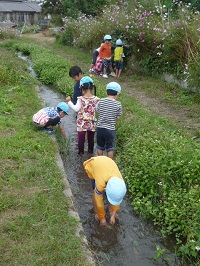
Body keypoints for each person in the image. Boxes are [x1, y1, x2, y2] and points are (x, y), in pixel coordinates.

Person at [83, 156, 127, 225]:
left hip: (107, 166)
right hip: (94, 166)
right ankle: (95, 212)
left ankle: (110, 210)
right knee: (96, 191)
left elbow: (117, 197)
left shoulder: (120, 183)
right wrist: (102, 217)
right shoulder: (100, 183)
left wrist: (113, 214)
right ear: (106, 189)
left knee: (113, 195)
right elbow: (99, 201)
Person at [66, 76, 99, 156]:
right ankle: (90, 152)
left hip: (81, 123)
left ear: (82, 89)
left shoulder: (80, 99)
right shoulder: (97, 99)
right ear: (91, 88)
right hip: (91, 123)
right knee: (91, 139)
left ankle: (81, 153)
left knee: (81, 139)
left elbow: (76, 109)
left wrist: (69, 102)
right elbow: (98, 110)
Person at [96, 82, 122, 159]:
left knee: (100, 146)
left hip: (100, 128)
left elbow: (97, 110)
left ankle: (100, 160)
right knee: (110, 147)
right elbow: (118, 117)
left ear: (106, 92)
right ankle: (109, 162)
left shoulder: (101, 101)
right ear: (117, 94)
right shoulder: (118, 104)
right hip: (110, 129)